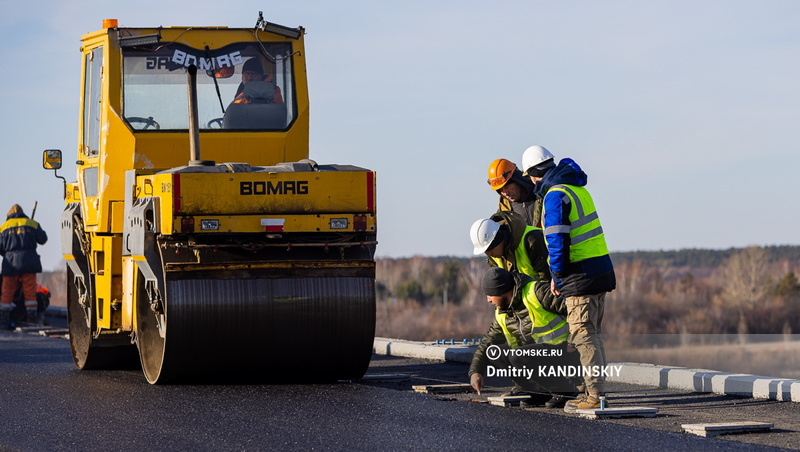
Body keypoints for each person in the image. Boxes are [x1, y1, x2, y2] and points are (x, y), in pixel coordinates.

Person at [522, 145, 616, 411]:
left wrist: (558, 276)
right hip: (600, 271)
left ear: (533, 175)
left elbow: (556, 241)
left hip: (580, 276)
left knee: (583, 335)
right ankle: (594, 392)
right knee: (593, 335)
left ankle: (594, 396)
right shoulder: (577, 189)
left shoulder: (555, 195)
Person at [468, 267, 580, 409]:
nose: (488, 300)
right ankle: (539, 391)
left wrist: (573, 341)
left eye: (490, 295)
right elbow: (487, 341)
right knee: (495, 352)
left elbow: (576, 311)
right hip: (537, 355)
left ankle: (565, 390)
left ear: (502, 291)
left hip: (565, 351)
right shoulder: (502, 311)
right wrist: (476, 371)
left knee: (518, 356)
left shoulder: (536, 292)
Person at [469, 211, 551, 284]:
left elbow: (547, 278)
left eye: (490, 249)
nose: (490, 255)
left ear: (498, 239)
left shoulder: (532, 239)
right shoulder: (496, 255)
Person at [0, 204, 48, 329]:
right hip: (29, 262)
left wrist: (7, 254)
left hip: (10, 265)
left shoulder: (4, 227)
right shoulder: (32, 223)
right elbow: (43, 239)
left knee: (7, 293)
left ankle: (3, 322)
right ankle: (31, 321)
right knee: (30, 294)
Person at [486, 159, 541, 227]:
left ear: (518, 180)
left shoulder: (543, 193)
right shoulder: (504, 210)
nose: (505, 193)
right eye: (500, 190)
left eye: (507, 187)